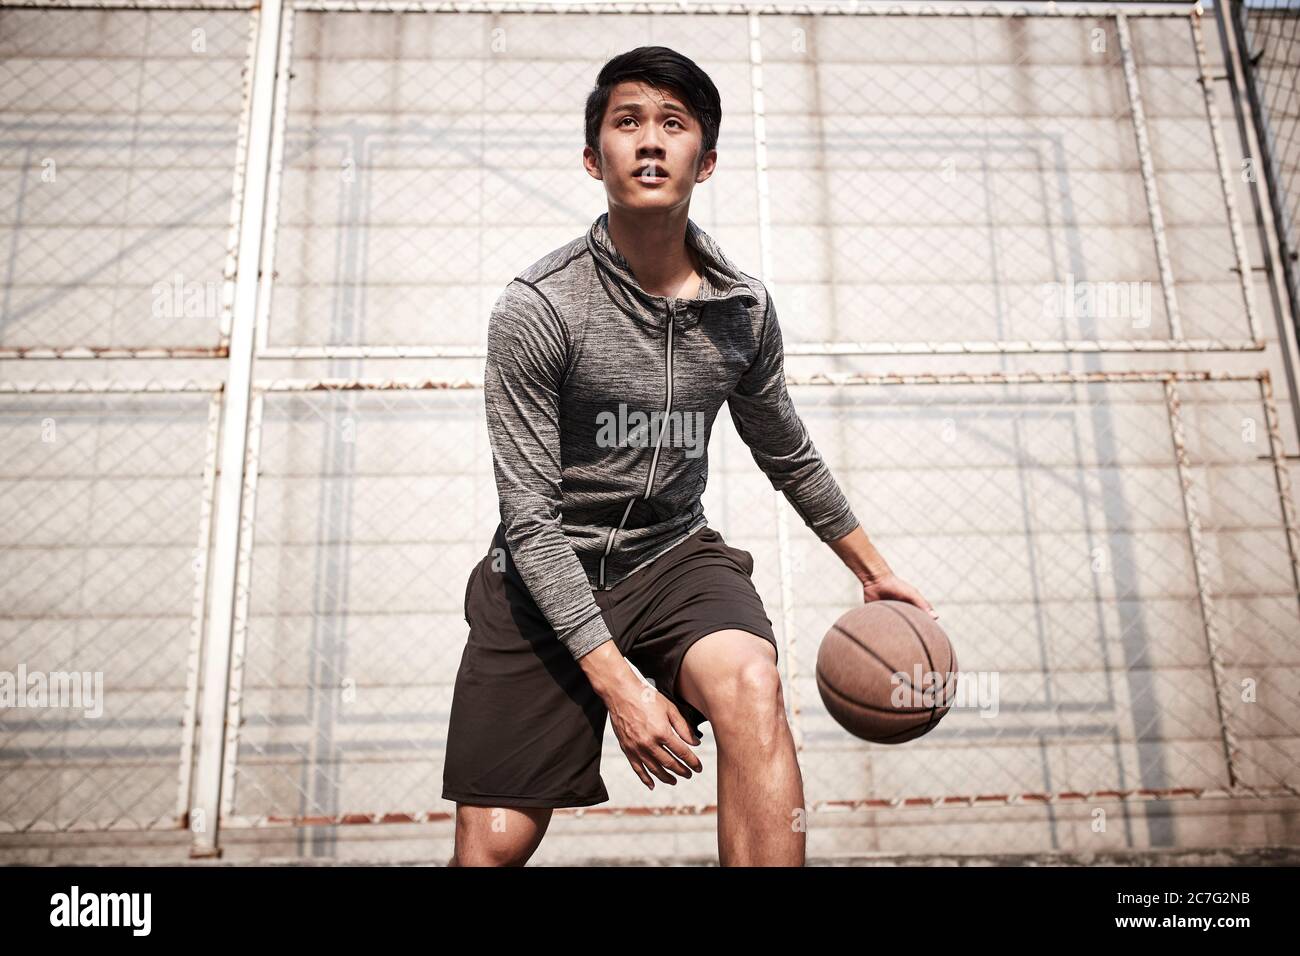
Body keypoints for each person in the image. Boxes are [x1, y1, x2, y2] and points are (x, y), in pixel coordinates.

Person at [443, 45, 937, 867]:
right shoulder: (538, 308)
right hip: (543, 574)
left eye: (672, 125)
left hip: (673, 558)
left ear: (704, 162)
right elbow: (531, 523)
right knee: (493, 848)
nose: (647, 141)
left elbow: (786, 449)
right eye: (626, 122)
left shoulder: (740, 309)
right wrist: (623, 689)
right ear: (592, 155)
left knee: (752, 683)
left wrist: (871, 567)